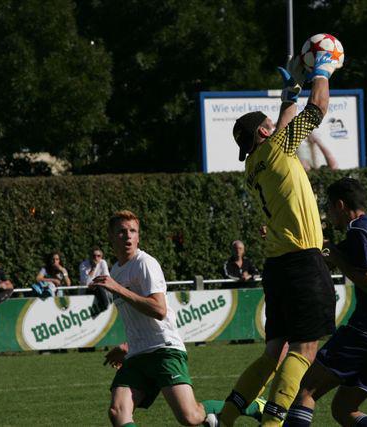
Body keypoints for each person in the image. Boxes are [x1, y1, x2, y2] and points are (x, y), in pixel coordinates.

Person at [221, 53, 341, 426]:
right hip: (302, 261)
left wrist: (287, 97)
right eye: (270, 125)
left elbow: (279, 129)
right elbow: (318, 106)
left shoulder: (252, 166)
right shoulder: (277, 149)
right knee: (304, 350)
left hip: (277, 266)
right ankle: (273, 424)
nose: (275, 127)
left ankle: (224, 419)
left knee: (274, 352)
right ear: (263, 133)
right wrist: (323, 68)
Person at [284, 177, 367, 427]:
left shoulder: (358, 231)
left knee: (306, 390)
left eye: (329, 208)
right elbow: (332, 253)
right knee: (344, 408)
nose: (330, 215)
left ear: (340, 205)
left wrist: (337, 259)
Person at [89, 210, 212, 426]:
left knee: (191, 417)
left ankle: (246, 405)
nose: (128, 236)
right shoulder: (116, 270)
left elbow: (159, 310)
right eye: (121, 232)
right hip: (137, 354)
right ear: (110, 236)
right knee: (118, 411)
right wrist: (128, 346)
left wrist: (118, 289)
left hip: (164, 348)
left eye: (133, 231)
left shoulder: (145, 263)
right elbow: (135, 314)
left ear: (138, 236)